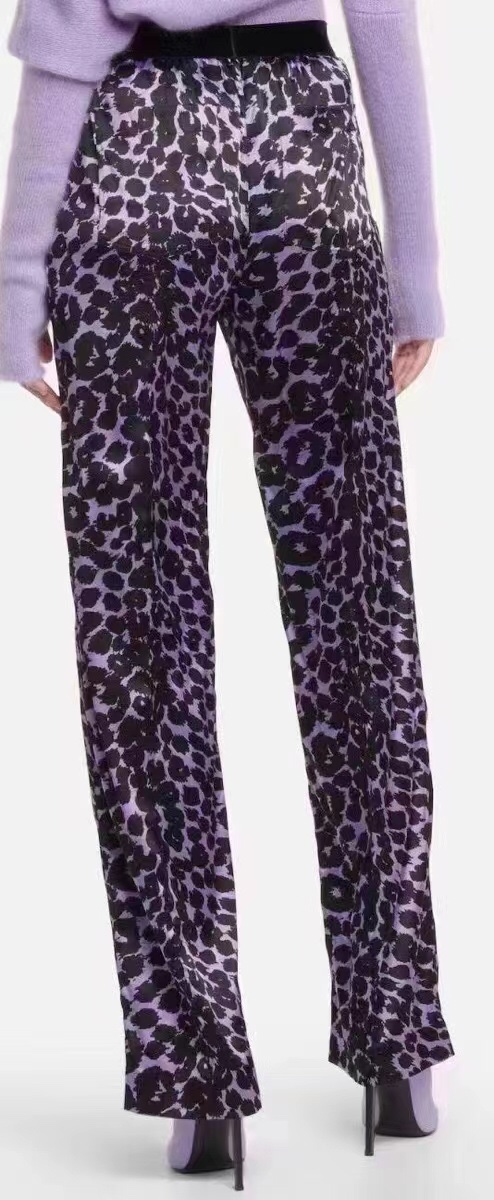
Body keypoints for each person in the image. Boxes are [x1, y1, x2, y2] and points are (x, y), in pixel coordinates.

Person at [0, 0, 454, 1190]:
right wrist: (413, 268)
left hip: (132, 166)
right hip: (306, 158)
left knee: (136, 619)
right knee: (358, 604)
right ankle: (395, 1037)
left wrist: (17, 279)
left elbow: (68, 39)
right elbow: (383, 20)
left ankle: (195, 1076)